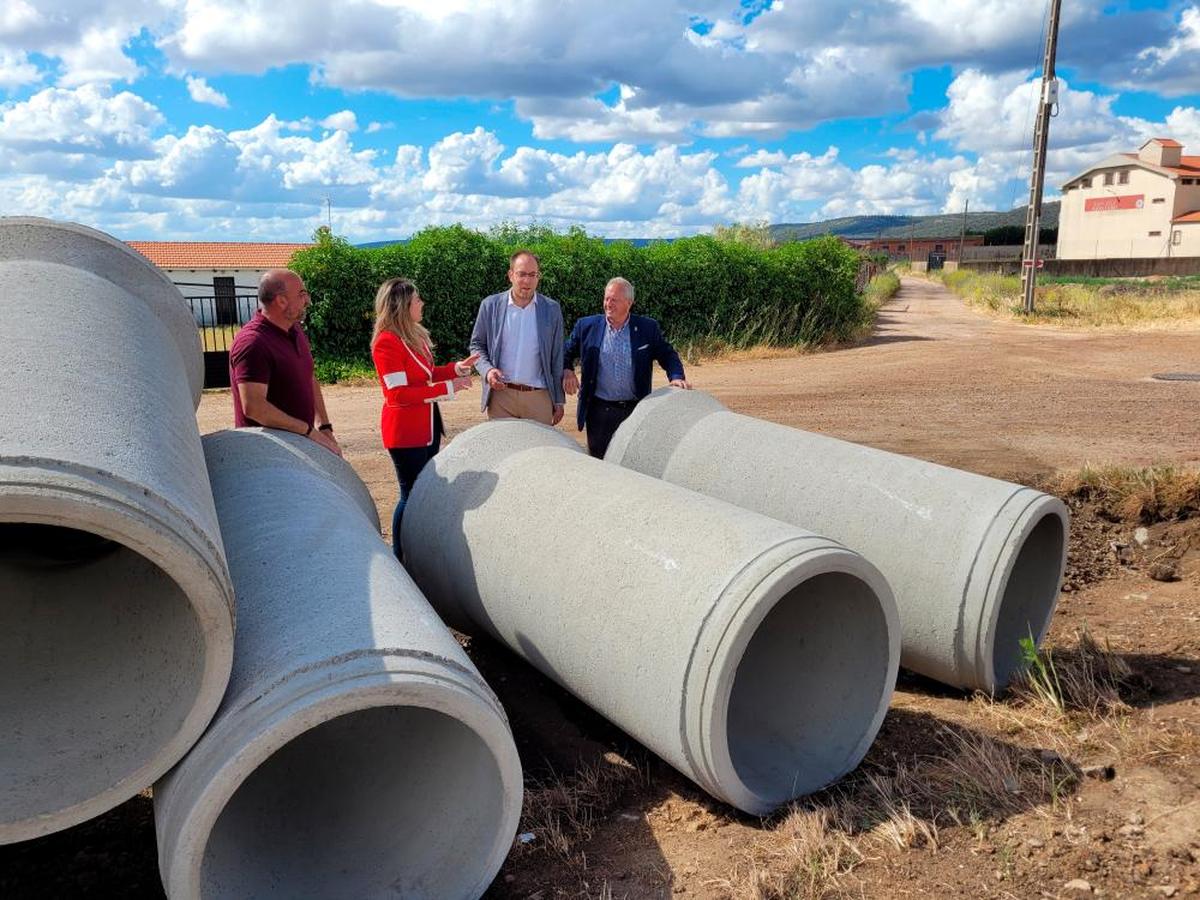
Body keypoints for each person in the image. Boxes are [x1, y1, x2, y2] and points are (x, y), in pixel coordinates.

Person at [371, 277, 477, 559]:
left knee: (423, 492)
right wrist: (448, 389)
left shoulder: (413, 337)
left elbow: (427, 375)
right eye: (417, 299)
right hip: (405, 433)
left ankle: (417, 550)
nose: (421, 303)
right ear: (402, 305)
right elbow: (399, 395)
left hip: (427, 428)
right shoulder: (386, 343)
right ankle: (401, 554)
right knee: (410, 496)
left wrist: (456, 369)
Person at [563, 276, 691, 458]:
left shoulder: (647, 328)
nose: (608, 304)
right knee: (601, 462)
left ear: (629, 303)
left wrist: (676, 376)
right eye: (606, 298)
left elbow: (667, 354)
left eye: (614, 300)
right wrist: (567, 369)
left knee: (633, 460)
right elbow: (565, 351)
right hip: (600, 411)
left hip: (635, 410)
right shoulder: (587, 326)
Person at [229, 268, 341, 457]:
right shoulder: (253, 343)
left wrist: (324, 426)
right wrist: (307, 431)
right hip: (268, 456)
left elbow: (309, 377)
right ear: (281, 301)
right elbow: (254, 407)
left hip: (298, 446)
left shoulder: (294, 329)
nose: (307, 300)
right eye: (302, 294)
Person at [468, 249, 565, 426]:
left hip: (539, 397)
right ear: (510, 275)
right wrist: (488, 371)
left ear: (538, 277)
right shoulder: (490, 306)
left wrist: (558, 400)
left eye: (532, 275)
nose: (527, 281)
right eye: (521, 274)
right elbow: (476, 345)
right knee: (504, 452)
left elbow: (557, 356)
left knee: (537, 453)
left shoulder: (552, 309)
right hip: (501, 398)